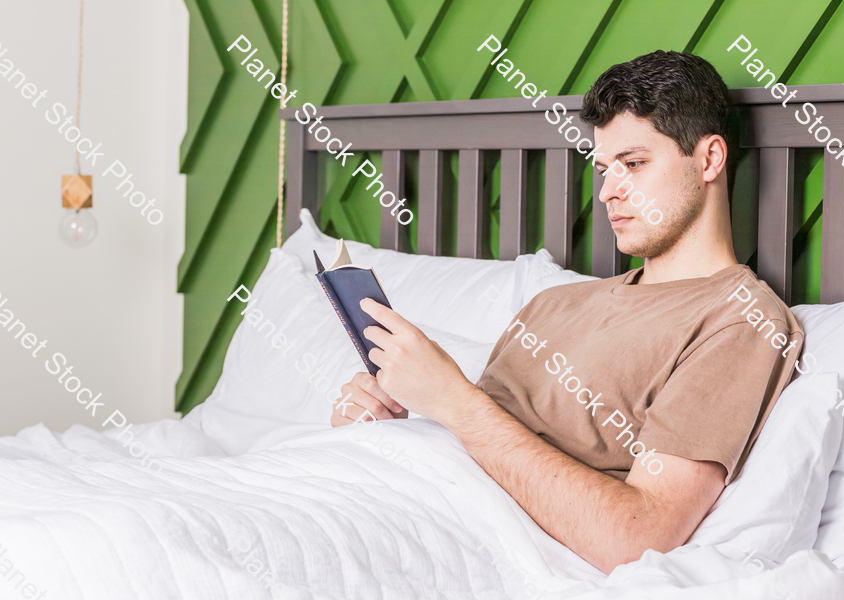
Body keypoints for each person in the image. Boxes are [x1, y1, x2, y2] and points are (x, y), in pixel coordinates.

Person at [330, 50, 803, 575]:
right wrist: (389, 426)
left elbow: (638, 537)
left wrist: (452, 399)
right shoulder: (553, 304)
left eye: (635, 164)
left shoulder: (740, 321)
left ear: (710, 159)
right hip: (374, 498)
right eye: (603, 169)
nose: (607, 191)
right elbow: (484, 444)